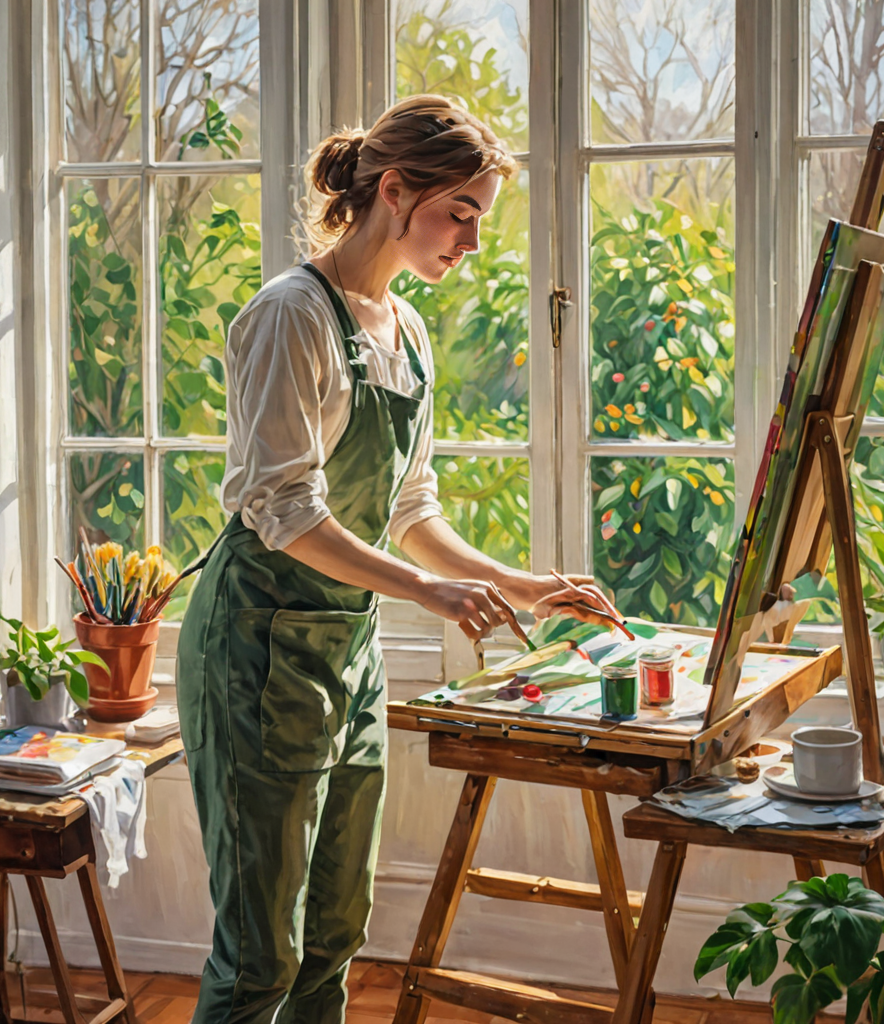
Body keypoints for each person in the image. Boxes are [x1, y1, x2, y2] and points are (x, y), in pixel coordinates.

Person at [176, 94, 617, 1024]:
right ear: (394, 190)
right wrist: (431, 592)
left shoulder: (405, 330)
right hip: (256, 653)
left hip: (347, 653)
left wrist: (519, 584)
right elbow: (286, 513)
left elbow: (410, 507)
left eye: (478, 219)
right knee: (262, 952)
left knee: (335, 935)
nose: (471, 239)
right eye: (461, 213)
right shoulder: (289, 316)